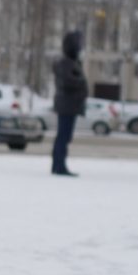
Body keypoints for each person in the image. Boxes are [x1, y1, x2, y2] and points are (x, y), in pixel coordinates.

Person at [51, 30, 88, 177]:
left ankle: (59, 164)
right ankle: (59, 165)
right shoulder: (65, 63)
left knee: (65, 136)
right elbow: (67, 82)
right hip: (67, 104)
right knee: (63, 136)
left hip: (70, 105)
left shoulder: (71, 63)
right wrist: (81, 82)